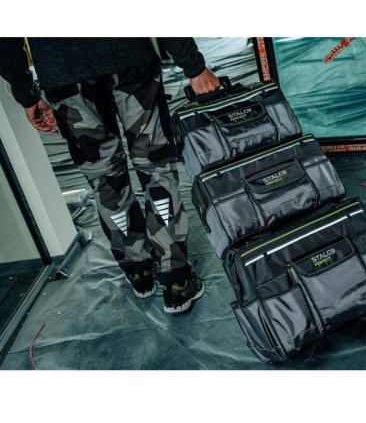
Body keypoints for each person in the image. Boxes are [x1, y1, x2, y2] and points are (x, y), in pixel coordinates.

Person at [0, 38, 220, 313]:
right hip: (129, 59)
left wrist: (26, 92)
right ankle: (177, 281)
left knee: (104, 178)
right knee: (156, 169)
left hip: (64, 75)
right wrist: (193, 66)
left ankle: (139, 271)